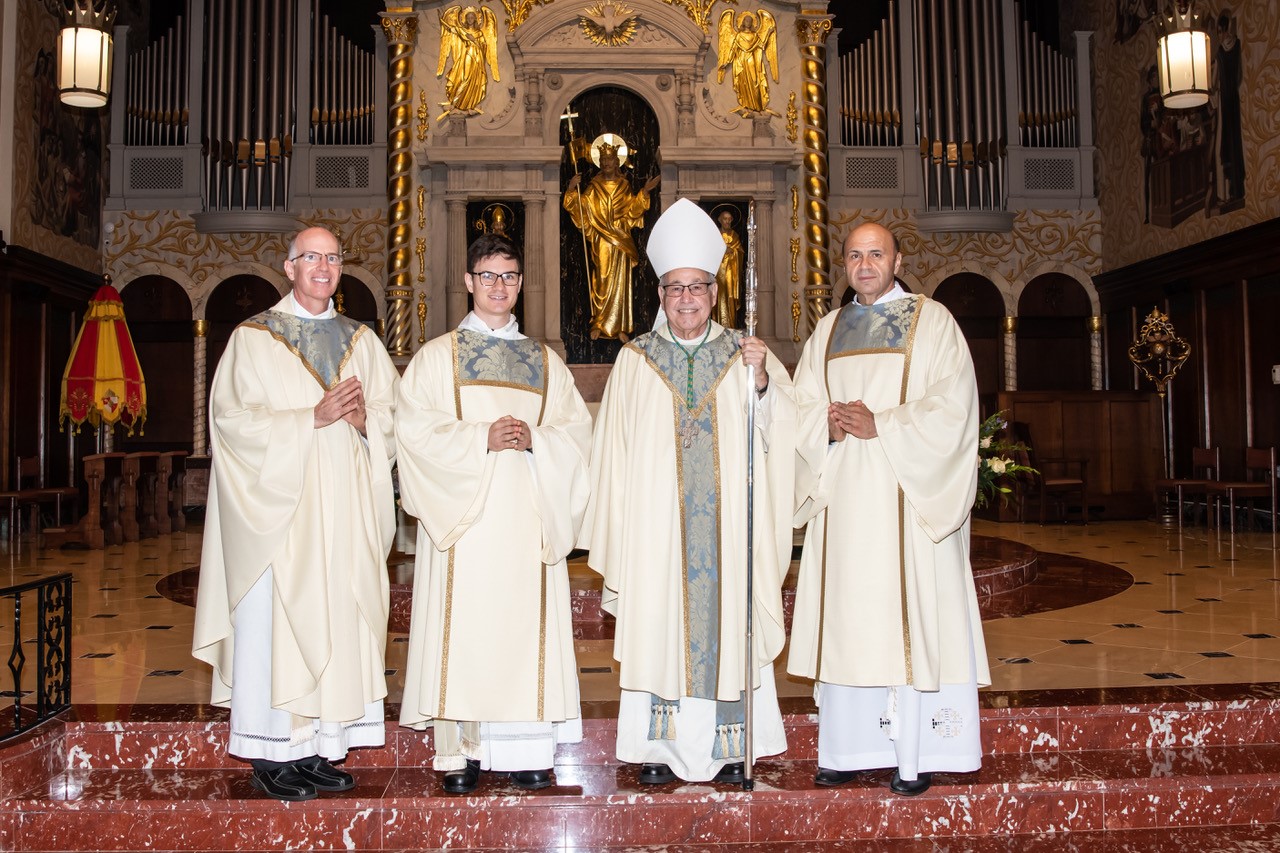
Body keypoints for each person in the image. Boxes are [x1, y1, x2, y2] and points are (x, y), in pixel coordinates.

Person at [581, 198, 796, 784]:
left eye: (696, 287)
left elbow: (784, 437)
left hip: (728, 536)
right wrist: (624, 529)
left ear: (714, 290)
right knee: (661, 630)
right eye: (674, 288)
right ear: (660, 295)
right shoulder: (635, 362)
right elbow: (612, 456)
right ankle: (658, 751)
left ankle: (730, 748)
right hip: (658, 538)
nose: (685, 298)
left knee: (727, 629)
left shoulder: (744, 356)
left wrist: (762, 387)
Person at [193, 226, 399, 802]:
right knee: (275, 631)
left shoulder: (363, 340)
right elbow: (231, 423)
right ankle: (269, 750)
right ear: (289, 267)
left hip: (345, 517)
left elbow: (394, 417)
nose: (324, 267)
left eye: (334, 258)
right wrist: (309, 417)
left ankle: (317, 748)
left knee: (337, 622)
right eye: (312, 257)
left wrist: (364, 423)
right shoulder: (254, 338)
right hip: (278, 521)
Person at [787, 222, 988, 797]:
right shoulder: (826, 332)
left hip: (908, 503)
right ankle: (848, 748)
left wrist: (886, 424)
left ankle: (916, 753)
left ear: (897, 259)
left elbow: (954, 408)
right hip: (845, 507)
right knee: (851, 622)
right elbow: (799, 408)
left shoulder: (934, 322)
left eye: (876, 253)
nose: (866, 264)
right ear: (843, 265)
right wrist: (821, 426)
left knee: (909, 616)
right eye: (855, 255)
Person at [395, 233, 592, 794]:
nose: (498, 286)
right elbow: (414, 434)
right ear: (468, 282)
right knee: (468, 629)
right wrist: (481, 437)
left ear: (521, 283)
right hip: (466, 524)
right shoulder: (437, 359)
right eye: (488, 276)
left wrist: (539, 441)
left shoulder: (545, 363)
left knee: (522, 632)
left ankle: (526, 750)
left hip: (528, 521)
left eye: (508, 276)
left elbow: (578, 437)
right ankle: (463, 752)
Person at [564, 141, 659, 342]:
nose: (607, 163)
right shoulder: (593, 187)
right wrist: (572, 190)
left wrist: (645, 192)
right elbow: (582, 208)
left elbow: (633, 209)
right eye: (604, 159)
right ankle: (599, 322)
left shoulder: (624, 186)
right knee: (602, 279)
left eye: (610, 159)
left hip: (621, 239)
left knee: (622, 282)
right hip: (601, 240)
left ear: (617, 162)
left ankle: (621, 326)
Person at [437, 5, 500, 117]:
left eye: (472, 17)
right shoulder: (463, 31)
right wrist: (441, 19)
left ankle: (469, 101)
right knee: (464, 78)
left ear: (476, 19)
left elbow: (485, 46)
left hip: (477, 57)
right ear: (465, 19)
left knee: (474, 80)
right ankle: (456, 101)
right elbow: (451, 28)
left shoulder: (480, 33)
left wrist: (474, 40)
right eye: (468, 17)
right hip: (467, 56)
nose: (470, 19)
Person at [716, 9, 779, 116]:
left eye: (750, 21)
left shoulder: (755, 36)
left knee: (755, 82)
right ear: (743, 22)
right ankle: (747, 106)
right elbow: (733, 49)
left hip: (752, 62)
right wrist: (726, 62)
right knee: (743, 84)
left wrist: (768, 33)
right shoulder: (739, 36)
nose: (748, 23)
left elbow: (762, 45)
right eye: (746, 21)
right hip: (741, 63)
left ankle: (758, 106)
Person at [713, 208, 743, 329]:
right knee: (718, 295)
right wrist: (721, 251)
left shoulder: (735, 235)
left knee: (730, 296)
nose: (727, 222)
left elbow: (740, 251)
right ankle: (717, 324)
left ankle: (730, 325)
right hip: (718, 271)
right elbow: (711, 252)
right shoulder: (715, 235)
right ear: (720, 220)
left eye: (729, 219)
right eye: (725, 219)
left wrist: (733, 252)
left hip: (731, 272)